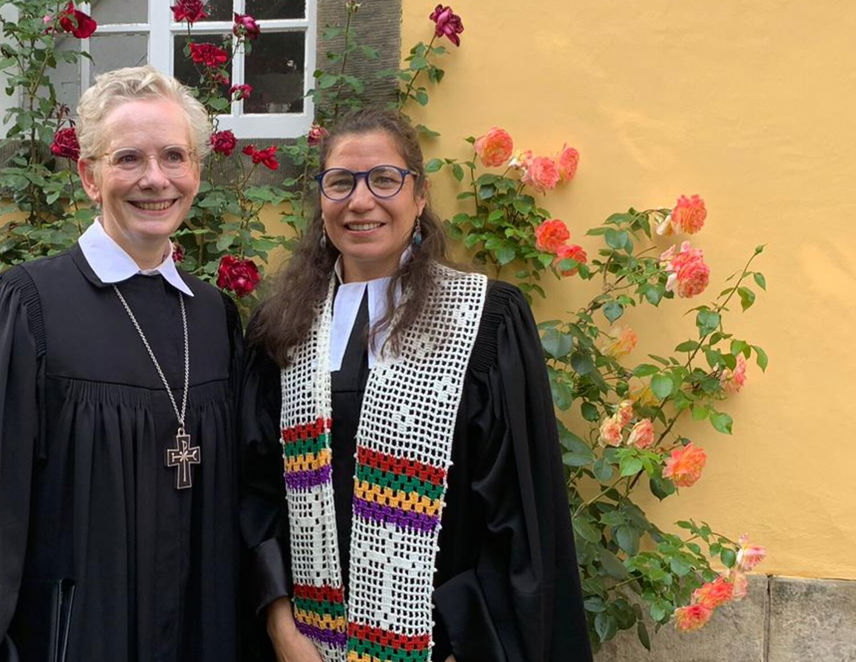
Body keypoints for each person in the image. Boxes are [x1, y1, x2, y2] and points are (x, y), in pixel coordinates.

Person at [0, 66, 243, 662]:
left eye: (174, 156)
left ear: (197, 171)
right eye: (128, 159)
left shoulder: (214, 319)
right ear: (88, 177)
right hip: (72, 639)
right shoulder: (27, 308)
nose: (156, 179)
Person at [241, 108, 593, 662]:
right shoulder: (280, 330)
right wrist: (282, 628)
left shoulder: (484, 320)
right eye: (340, 182)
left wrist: (465, 646)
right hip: (306, 645)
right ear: (322, 199)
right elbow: (257, 493)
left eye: (384, 179)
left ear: (420, 195)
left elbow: (518, 516)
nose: (361, 201)